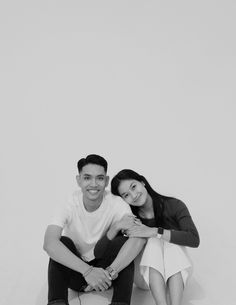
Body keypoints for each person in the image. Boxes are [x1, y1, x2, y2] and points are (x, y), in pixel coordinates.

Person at [43, 155, 146, 305]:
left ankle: (120, 302)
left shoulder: (116, 203)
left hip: (108, 275)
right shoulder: (68, 203)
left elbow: (139, 237)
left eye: (99, 178)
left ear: (107, 180)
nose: (94, 184)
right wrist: (88, 271)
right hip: (77, 273)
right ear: (78, 180)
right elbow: (49, 244)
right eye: (87, 178)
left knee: (123, 242)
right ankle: (57, 302)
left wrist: (109, 273)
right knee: (62, 242)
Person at [108, 169, 200, 305]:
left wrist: (154, 231)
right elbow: (113, 249)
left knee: (165, 238)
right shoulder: (129, 218)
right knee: (153, 242)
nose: (133, 195)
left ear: (142, 182)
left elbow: (194, 239)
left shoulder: (174, 205)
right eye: (126, 195)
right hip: (144, 276)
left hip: (178, 271)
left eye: (134, 187)